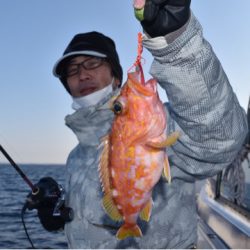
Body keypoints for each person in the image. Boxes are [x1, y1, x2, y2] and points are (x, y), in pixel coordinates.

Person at [44, 0, 249, 248]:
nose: (82, 74)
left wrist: (177, 42)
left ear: (117, 76)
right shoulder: (75, 157)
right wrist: (61, 214)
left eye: (92, 63)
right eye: (72, 69)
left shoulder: (164, 127)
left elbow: (219, 137)